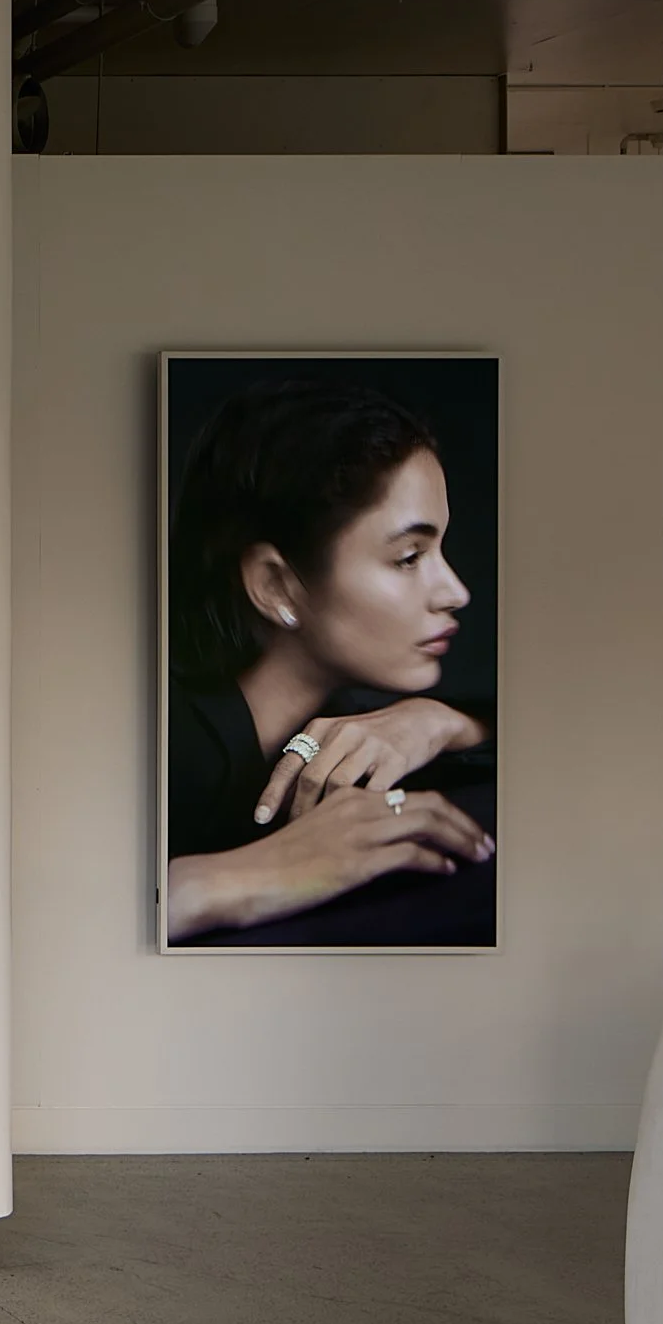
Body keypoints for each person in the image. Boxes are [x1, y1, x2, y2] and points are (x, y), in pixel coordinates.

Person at [164, 376, 495, 946]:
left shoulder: (357, 723)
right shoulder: (154, 745)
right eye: (410, 556)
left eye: (441, 548)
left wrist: (440, 720)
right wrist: (221, 880)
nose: (455, 591)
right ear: (277, 586)